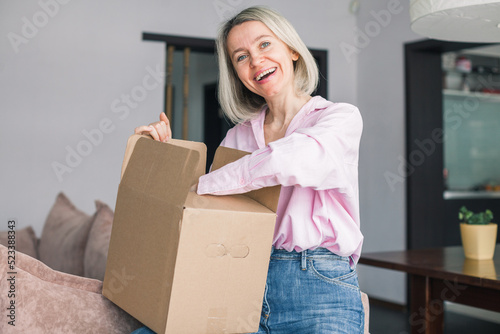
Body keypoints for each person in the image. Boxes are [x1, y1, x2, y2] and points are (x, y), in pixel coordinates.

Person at [132, 5, 364, 334]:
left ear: (293, 50)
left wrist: (204, 183)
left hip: (317, 283)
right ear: (236, 73)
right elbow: (209, 215)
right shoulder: (237, 137)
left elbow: (288, 161)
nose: (255, 61)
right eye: (241, 56)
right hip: (241, 277)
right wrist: (165, 158)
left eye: (265, 45)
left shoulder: (338, 118)